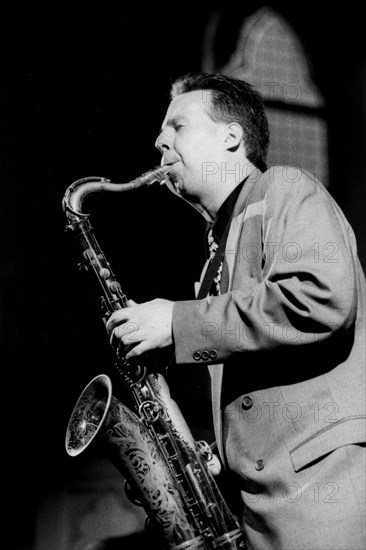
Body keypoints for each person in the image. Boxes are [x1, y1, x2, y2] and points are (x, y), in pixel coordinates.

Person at [106, 73, 366, 550]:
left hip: (322, 503)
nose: (159, 140)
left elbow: (321, 299)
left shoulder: (285, 188)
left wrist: (176, 321)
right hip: (261, 515)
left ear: (231, 137)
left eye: (178, 125)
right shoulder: (214, 256)